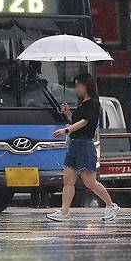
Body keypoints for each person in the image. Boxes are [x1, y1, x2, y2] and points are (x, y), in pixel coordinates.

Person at [46, 73, 120, 222]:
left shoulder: (93, 103)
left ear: (87, 86)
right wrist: (68, 113)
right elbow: (76, 120)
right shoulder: (82, 104)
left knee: (89, 182)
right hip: (74, 144)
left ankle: (111, 205)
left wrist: (66, 130)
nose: (77, 88)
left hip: (85, 145)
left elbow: (84, 122)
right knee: (67, 179)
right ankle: (64, 211)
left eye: (79, 85)